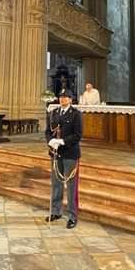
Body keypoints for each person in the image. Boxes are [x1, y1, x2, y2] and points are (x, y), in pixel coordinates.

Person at [45, 89, 82, 229]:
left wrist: (62, 142)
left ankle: (72, 215)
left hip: (70, 153)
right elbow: (48, 131)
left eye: (66, 97)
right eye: (61, 97)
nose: (62, 99)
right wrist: (51, 141)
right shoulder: (54, 112)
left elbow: (78, 135)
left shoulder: (76, 114)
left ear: (71, 99)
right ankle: (56, 211)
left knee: (71, 186)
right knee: (56, 183)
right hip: (55, 153)